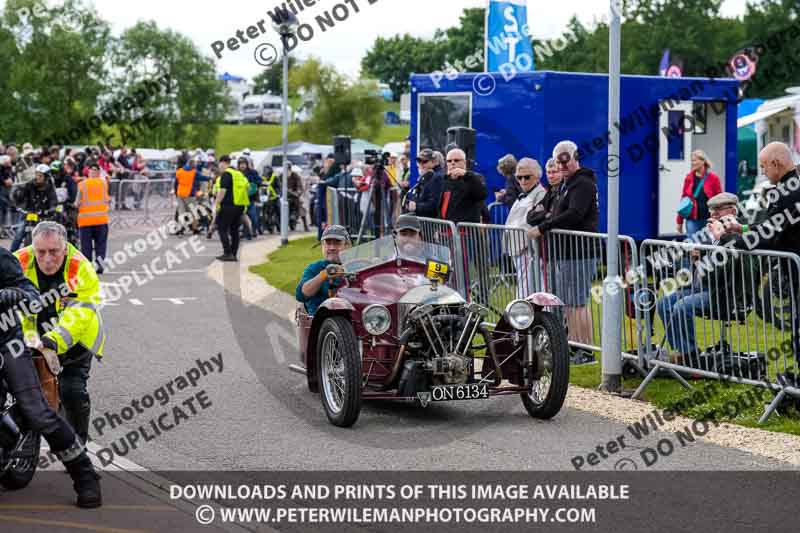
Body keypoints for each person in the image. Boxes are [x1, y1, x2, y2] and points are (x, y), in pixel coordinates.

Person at [0, 244, 102, 508]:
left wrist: (13, 294)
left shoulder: (3, 258)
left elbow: (32, 295)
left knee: (38, 411)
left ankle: (85, 477)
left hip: (6, 344)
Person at [656, 192, 751, 366]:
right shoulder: (712, 236)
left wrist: (701, 258)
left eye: (718, 211)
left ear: (732, 211)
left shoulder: (738, 239)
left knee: (681, 306)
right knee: (664, 303)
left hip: (726, 296)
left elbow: (720, 276)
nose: (713, 215)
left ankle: (690, 358)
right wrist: (694, 258)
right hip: (707, 288)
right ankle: (687, 353)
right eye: (711, 211)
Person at [527, 141, 599, 358]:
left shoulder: (583, 183)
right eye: (559, 161)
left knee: (577, 303)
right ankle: (574, 346)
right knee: (569, 303)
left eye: (566, 159)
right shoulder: (564, 185)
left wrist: (545, 225)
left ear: (575, 157)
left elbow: (575, 214)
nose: (562, 165)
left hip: (579, 253)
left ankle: (585, 350)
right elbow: (539, 212)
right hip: (564, 253)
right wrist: (547, 219)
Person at [504, 158, 547, 298]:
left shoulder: (540, 194)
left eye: (527, 177)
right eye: (519, 177)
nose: (522, 181)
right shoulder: (522, 195)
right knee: (526, 287)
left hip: (529, 249)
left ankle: (519, 318)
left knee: (526, 290)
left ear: (537, 177)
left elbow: (536, 218)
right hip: (518, 248)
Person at [296, 225, 351, 315]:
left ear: (347, 245)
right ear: (323, 246)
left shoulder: (354, 265)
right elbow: (301, 295)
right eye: (328, 243)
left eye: (337, 243)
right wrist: (324, 275)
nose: (332, 248)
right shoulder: (314, 268)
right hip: (321, 323)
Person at [11, 164, 58, 252]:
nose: (37, 177)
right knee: (19, 233)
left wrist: (52, 208)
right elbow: (20, 196)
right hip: (28, 212)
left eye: (40, 175)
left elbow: (53, 200)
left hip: (43, 214)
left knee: (50, 233)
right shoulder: (29, 184)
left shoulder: (50, 187)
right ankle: (11, 255)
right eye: (36, 174)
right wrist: (18, 194)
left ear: (46, 176)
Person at [676, 150, 722, 238]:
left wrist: (720, 218)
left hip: (709, 219)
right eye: (691, 161)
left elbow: (719, 200)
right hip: (692, 219)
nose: (692, 163)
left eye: (695, 160)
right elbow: (684, 201)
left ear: (703, 161)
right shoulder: (689, 178)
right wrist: (679, 222)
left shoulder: (713, 178)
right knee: (693, 248)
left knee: (709, 246)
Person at [75, 161, 110, 274]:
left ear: (88, 172)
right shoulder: (104, 183)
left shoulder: (82, 185)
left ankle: (88, 266)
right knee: (101, 244)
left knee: (86, 245)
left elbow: (77, 203)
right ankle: (100, 265)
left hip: (85, 221)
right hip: (101, 220)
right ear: (99, 172)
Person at [213, 155, 250, 262]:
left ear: (223, 163)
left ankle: (227, 253)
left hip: (228, 205)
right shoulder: (239, 174)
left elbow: (222, 191)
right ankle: (233, 253)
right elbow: (247, 188)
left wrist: (216, 203)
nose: (219, 167)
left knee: (222, 229)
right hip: (239, 206)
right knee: (234, 230)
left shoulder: (226, 174)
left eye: (220, 164)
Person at [437, 148, 487, 224]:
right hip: (445, 229)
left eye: (456, 160)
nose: (452, 163)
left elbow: (482, 194)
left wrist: (466, 175)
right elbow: (441, 206)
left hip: (465, 231)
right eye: (449, 161)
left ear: (464, 162)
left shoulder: (473, 177)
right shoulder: (445, 179)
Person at [407, 149, 441, 218]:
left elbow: (434, 204)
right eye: (419, 161)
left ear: (433, 162)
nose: (421, 164)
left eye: (424, 161)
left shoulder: (437, 178)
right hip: (422, 221)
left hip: (431, 223)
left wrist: (416, 206)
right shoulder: (424, 178)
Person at [175, 157, 200, 236]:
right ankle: (195, 229)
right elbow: (197, 185)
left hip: (181, 195)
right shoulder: (194, 172)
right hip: (191, 195)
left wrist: (176, 193)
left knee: (181, 212)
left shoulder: (180, 171)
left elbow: (176, 183)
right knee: (194, 212)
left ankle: (180, 229)